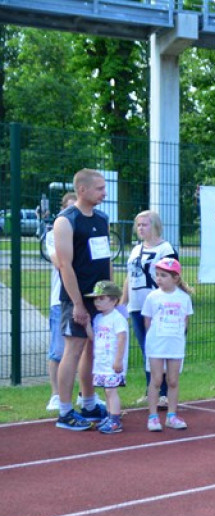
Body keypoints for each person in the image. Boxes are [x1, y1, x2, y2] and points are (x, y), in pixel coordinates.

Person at [53, 169, 113, 431]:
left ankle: (88, 404)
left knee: (92, 350)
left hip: (100, 298)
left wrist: (111, 294)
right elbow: (65, 265)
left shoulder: (102, 219)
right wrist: (77, 304)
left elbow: (106, 258)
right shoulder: (66, 221)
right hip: (76, 298)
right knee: (73, 349)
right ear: (82, 190)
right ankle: (65, 412)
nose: (104, 193)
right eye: (99, 188)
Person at [122, 210, 178, 408]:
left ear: (154, 226)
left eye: (144, 224)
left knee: (159, 348)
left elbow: (173, 277)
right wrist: (123, 302)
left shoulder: (165, 249)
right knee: (147, 349)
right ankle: (150, 391)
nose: (140, 228)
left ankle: (163, 393)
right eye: (138, 225)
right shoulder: (136, 249)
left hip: (158, 307)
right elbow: (130, 276)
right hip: (137, 306)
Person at [142, 257, 194, 432]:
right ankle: (153, 416)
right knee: (156, 379)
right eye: (157, 275)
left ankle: (172, 415)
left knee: (172, 380)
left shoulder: (184, 298)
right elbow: (147, 321)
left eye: (163, 275)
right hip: (157, 344)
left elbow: (185, 321)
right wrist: (156, 337)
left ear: (175, 278)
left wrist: (177, 337)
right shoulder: (152, 297)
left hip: (175, 345)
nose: (159, 279)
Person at [45, 191, 77, 411]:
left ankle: (87, 394)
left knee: (85, 349)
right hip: (61, 299)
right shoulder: (52, 234)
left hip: (85, 298)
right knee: (58, 349)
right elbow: (61, 261)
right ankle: (56, 395)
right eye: (70, 208)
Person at [85, 281, 129, 435]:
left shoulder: (117, 318)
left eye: (101, 298)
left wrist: (118, 360)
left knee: (111, 391)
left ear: (114, 301)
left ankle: (115, 420)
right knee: (106, 391)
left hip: (112, 363)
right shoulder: (98, 318)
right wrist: (86, 326)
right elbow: (94, 338)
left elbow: (121, 339)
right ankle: (110, 417)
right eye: (96, 299)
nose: (97, 302)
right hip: (101, 363)